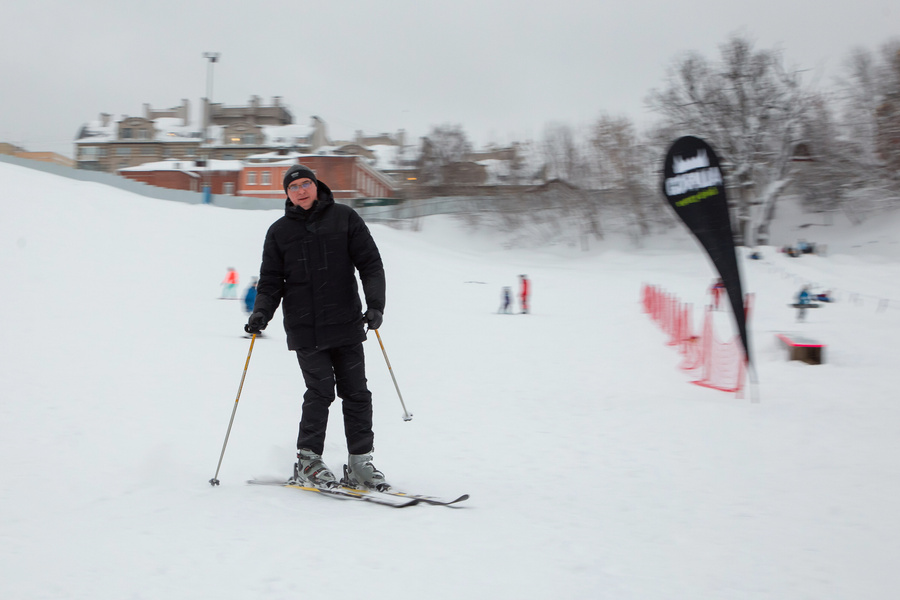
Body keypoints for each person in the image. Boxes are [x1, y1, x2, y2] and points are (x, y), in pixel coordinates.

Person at [244, 164, 388, 490]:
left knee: (356, 393)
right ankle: (308, 461)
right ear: (287, 195)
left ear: (316, 185)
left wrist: (376, 304)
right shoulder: (279, 232)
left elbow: (370, 263)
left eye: (305, 184)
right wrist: (261, 313)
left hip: (347, 323)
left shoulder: (345, 218)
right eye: (293, 188)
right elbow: (270, 282)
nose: (301, 191)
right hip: (305, 328)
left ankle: (360, 463)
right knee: (320, 391)